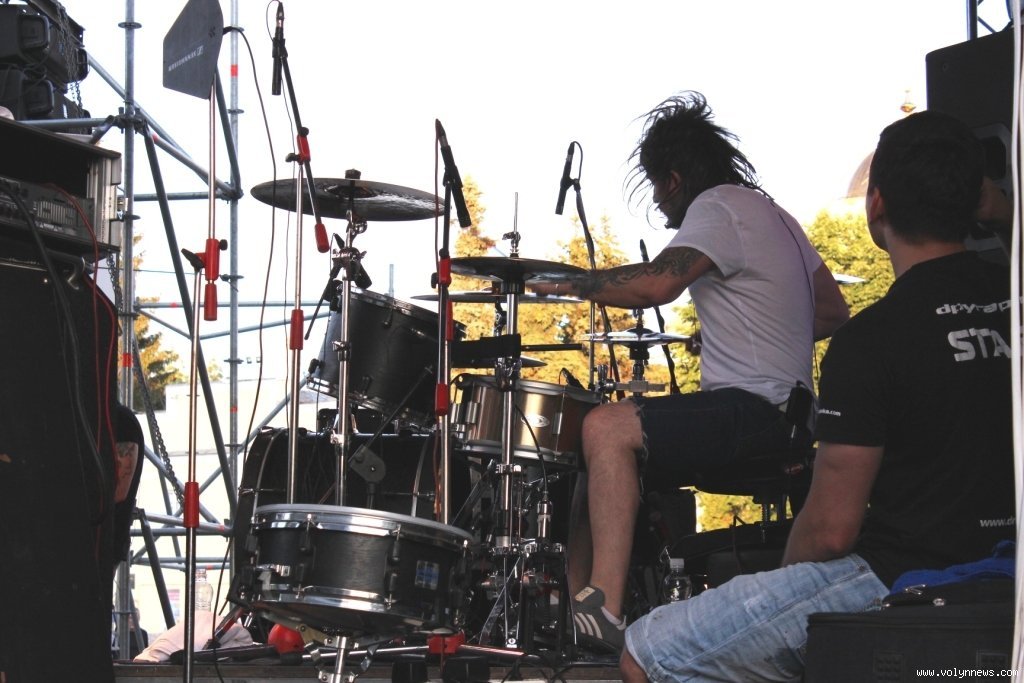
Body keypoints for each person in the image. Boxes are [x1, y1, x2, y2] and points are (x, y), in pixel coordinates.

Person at [620, 109, 1016, 682]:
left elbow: (830, 530)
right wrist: (999, 212)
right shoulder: (1015, 302)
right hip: (1008, 568)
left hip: (906, 576)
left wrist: (783, 588)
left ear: (876, 205)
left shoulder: (872, 341)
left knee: (645, 651)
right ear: (979, 198)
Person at [534, 91, 849, 651]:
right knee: (597, 445)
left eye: (657, 187)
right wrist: (752, 330)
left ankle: (603, 607)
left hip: (759, 411)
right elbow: (831, 311)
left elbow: (658, 284)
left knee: (604, 426)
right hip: (794, 416)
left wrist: (574, 282)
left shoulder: (717, 206)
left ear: (673, 179)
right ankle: (580, 607)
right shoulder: (776, 216)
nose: (658, 201)